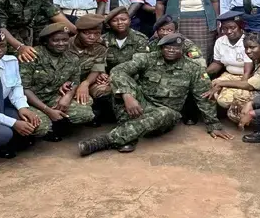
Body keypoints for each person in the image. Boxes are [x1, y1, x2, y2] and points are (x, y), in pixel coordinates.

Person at [77, 33, 232, 155]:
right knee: (121, 85)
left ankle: (105, 141)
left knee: (162, 114)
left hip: (166, 113)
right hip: (140, 104)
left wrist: (213, 124)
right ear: (161, 48)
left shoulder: (193, 68)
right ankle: (128, 136)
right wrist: (127, 95)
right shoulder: (148, 59)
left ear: (182, 49)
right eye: (167, 47)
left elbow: (203, 96)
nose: (171, 50)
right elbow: (118, 71)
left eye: (176, 48)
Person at [0, 25, 49, 157]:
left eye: (3, 45)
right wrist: (13, 123)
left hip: (3, 106)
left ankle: (15, 142)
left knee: (39, 124)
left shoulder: (11, 62)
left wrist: (23, 107)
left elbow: (16, 87)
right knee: (4, 134)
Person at [20, 23, 96, 141]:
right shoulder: (32, 56)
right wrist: (47, 110)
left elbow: (74, 82)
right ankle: (46, 126)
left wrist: (67, 97)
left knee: (84, 114)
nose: (61, 44)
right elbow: (24, 89)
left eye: (65, 40)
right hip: (30, 101)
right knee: (41, 127)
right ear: (46, 41)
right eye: (56, 40)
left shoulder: (72, 58)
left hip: (53, 97)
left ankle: (57, 124)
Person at [206, 34, 260, 123]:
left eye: (252, 47)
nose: (248, 51)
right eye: (246, 48)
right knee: (222, 94)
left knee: (237, 103)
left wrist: (222, 83)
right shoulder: (257, 57)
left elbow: (250, 85)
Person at [66, 14, 112, 104]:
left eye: (97, 34)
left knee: (104, 90)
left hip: (86, 80)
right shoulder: (64, 45)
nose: (92, 37)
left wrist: (86, 83)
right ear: (78, 31)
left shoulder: (100, 47)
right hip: (65, 83)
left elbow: (97, 68)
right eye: (87, 33)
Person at [103, 6, 152, 71]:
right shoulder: (103, 39)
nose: (120, 23)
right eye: (114, 21)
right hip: (107, 76)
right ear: (109, 24)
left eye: (123, 19)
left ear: (130, 20)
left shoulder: (140, 38)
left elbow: (141, 63)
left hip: (132, 76)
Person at [207, 10, 248, 82]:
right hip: (228, 75)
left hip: (247, 76)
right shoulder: (220, 41)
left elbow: (249, 71)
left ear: (241, 27)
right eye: (225, 28)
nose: (229, 31)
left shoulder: (248, 41)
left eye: (232, 28)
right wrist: (203, 75)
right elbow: (217, 63)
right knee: (210, 88)